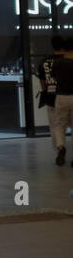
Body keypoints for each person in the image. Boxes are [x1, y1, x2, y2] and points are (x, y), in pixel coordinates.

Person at [50, 36, 73, 166]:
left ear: (64, 48)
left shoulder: (58, 63)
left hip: (62, 96)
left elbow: (53, 77)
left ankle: (61, 147)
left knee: (59, 125)